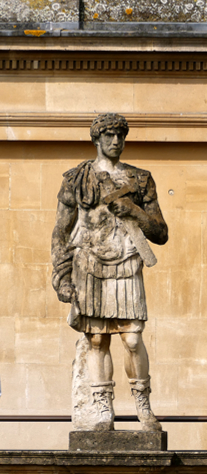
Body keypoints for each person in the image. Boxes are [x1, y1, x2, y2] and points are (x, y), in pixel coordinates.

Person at [51, 113, 169, 432]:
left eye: (120, 135)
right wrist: (61, 277)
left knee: (132, 338)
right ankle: (103, 408)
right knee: (98, 339)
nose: (115, 141)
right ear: (97, 139)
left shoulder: (140, 179)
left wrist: (134, 211)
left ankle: (143, 403)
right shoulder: (77, 178)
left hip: (128, 262)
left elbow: (160, 232)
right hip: (88, 264)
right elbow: (61, 231)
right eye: (108, 135)